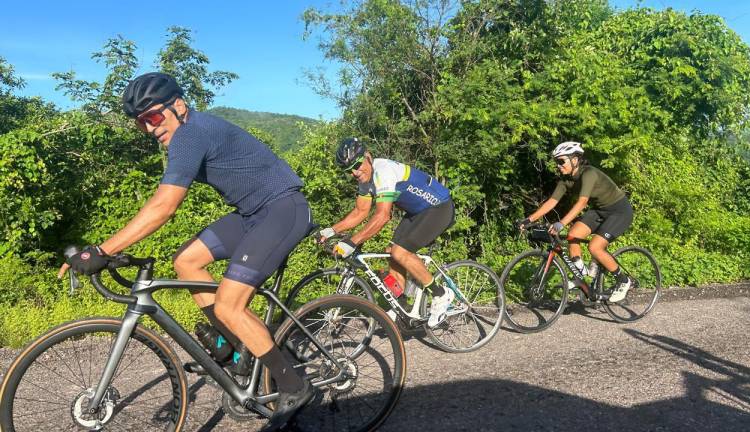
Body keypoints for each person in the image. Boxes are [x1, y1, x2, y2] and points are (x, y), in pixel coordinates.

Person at [58, 72, 314, 430]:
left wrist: (102, 249)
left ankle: (294, 386)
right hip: (252, 213)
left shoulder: (191, 133)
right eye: (140, 123)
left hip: (282, 209)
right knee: (187, 261)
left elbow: (164, 206)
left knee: (229, 303)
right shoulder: (185, 134)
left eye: (153, 117)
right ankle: (235, 348)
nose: (149, 129)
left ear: (178, 106)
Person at [319, 138, 455, 327]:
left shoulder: (383, 171)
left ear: (368, 156)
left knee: (401, 252)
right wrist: (330, 230)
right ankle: (402, 306)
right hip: (418, 212)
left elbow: (383, 216)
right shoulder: (365, 179)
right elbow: (360, 212)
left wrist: (352, 241)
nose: (354, 173)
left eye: (357, 165)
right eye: (348, 170)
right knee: (392, 252)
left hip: (439, 207)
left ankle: (441, 294)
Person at [518, 141, 635, 302]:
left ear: (575, 159)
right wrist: (528, 219)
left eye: (561, 161)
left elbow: (582, 203)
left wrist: (561, 223)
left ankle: (623, 281)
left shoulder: (589, 174)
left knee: (595, 247)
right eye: (556, 162)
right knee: (573, 236)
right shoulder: (566, 180)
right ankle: (583, 277)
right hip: (600, 211)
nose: (559, 165)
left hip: (619, 212)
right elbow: (552, 201)